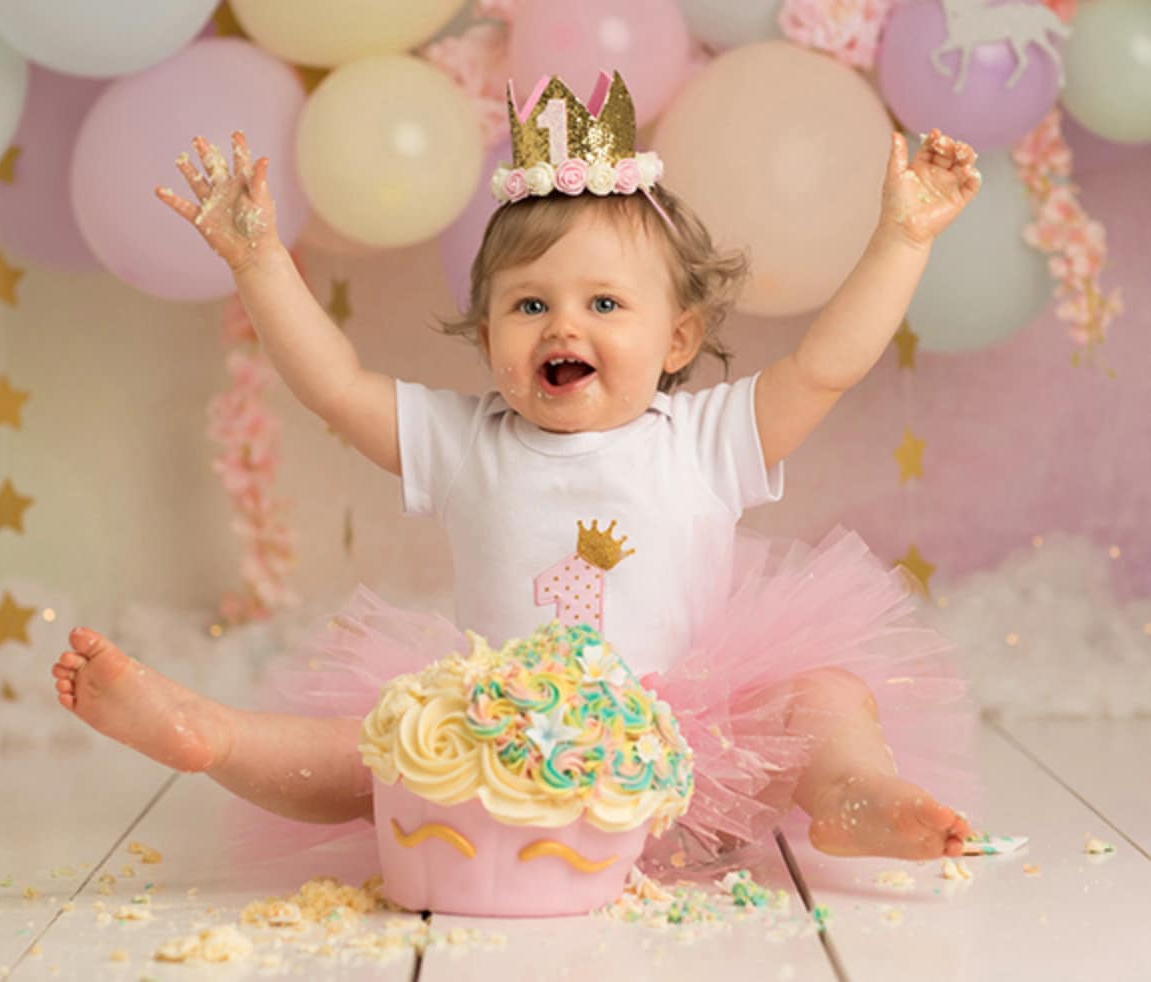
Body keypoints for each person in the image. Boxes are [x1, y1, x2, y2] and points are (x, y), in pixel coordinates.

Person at [52, 71, 982, 872]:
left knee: (826, 697)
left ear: (678, 338)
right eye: (529, 303)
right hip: (498, 755)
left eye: (605, 302)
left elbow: (826, 363)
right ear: (488, 330)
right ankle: (215, 739)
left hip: (691, 761)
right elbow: (334, 386)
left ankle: (856, 794)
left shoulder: (701, 440)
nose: (562, 327)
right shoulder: (469, 442)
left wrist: (903, 239)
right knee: (369, 750)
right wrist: (260, 262)